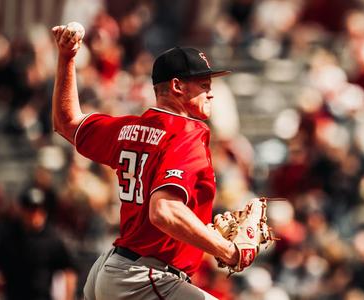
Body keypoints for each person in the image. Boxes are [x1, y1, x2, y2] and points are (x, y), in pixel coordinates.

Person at [51, 24, 239, 299]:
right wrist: (228, 251)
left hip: (113, 269)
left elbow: (66, 122)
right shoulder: (186, 132)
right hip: (143, 277)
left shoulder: (129, 128)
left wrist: (67, 58)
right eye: (203, 85)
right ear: (177, 86)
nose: (211, 93)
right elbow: (164, 211)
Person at [0, 187, 77, 300]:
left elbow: (69, 272)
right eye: (30, 209)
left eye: (39, 209)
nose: (35, 214)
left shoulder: (52, 238)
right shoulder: (9, 236)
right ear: (22, 210)